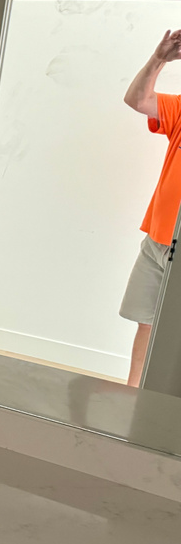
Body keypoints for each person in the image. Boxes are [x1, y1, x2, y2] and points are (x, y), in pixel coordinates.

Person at [121, 29, 181, 386]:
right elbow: (137, 100)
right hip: (158, 240)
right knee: (147, 322)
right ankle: (133, 398)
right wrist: (160, 58)